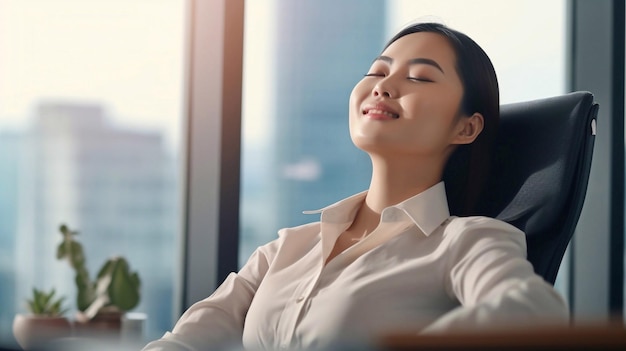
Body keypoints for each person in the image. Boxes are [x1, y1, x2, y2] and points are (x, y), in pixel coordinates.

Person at [142, 22, 569, 351]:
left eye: (419, 77)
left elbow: (535, 313)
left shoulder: (465, 241)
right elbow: (183, 343)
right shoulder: (286, 250)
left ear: (466, 126)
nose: (383, 85)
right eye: (377, 71)